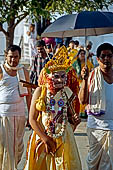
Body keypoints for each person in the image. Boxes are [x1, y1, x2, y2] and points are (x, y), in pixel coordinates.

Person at [24, 46, 82, 170]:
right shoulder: (41, 91)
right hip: (43, 134)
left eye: (63, 76)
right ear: (48, 77)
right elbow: (32, 120)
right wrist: (45, 139)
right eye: (56, 77)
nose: (60, 80)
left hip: (64, 138)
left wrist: (75, 120)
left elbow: (71, 117)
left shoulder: (67, 92)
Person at [79, 43, 113, 170]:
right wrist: (84, 80)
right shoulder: (92, 76)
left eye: (109, 56)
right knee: (94, 163)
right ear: (98, 59)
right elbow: (82, 100)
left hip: (112, 127)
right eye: (103, 56)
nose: (106, 59)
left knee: (109, 164)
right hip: (96, 128)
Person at [0, 45, 32, 170]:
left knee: (18, 147)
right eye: (11, 57)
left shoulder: (23, 71)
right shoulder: (1, 70)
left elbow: (29, 94)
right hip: (4, 115)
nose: (13, 60)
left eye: (16, 57)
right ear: (6, 56)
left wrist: (31, 115)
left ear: (20, 56)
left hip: (19, 115)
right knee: (6, 147)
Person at [73, 49, 94, 118]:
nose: (82, 55)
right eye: (81, 54)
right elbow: (72, 72)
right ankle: (79, 112)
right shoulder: (75, 63)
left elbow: (92, 70)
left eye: (83, 54)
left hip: (85, 82)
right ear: (78, 55)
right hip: (77, 82)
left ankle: (84, 112)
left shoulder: (88, 63)